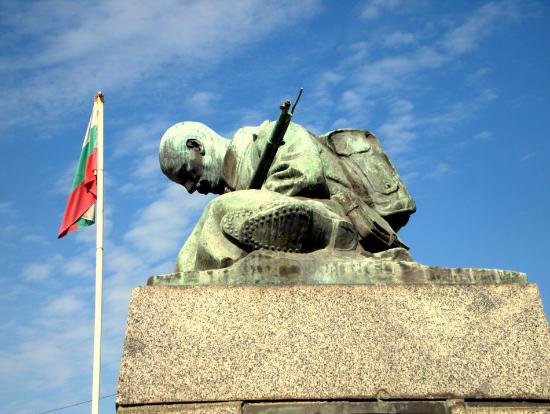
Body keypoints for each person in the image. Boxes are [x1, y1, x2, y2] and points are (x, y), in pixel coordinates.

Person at [159, 120, 415, 272]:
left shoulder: (269, 135)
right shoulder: (232, 189)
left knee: (219, 211)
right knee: (208, 227)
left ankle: (322, 228)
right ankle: (183, 282)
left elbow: (305, 174)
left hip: (338, 212)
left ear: (197, 146)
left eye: (186, 174)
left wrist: (257, 198)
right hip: (267, 213)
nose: (191, 188)